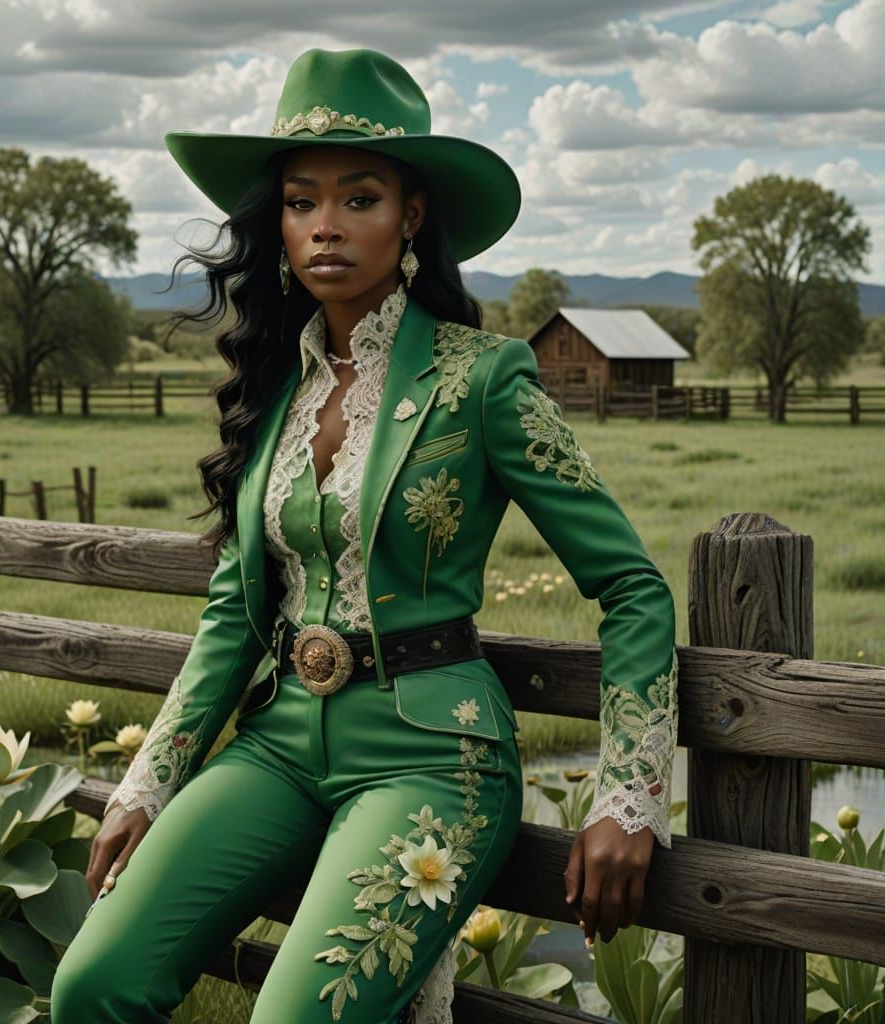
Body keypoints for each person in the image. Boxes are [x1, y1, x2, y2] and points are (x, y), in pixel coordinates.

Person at [49, 46, 678, 1024]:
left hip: (432, 752)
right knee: (92, 984)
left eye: (360, 197)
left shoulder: (485, 377)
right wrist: (146, 782)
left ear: (411, 215)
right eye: (301, 202)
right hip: (278, 745)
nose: (326, 225)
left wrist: (627, 794)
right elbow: (232, 613)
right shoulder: (277, 389)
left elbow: (633, 588)